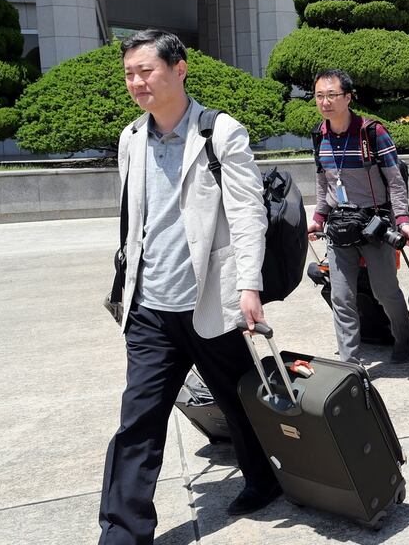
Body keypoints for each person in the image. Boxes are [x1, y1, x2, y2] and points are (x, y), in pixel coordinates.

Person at [100, 29, 279, 543]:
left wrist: (249, 285)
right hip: (150, 309)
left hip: (209, 300)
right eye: (130, 73)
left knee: (240, 400)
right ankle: (122, 531)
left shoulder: (220, 134)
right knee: (138, 422)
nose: (136, 82)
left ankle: (265, 479)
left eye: (146, 71)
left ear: (179, 70)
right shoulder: (131, 138)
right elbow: (135, 224)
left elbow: (247, 215)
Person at [306, 69, 409, 365]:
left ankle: (403, 336)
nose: (325, 102)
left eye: (332, 95)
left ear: (348, 97)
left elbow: (395, 180)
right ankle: (350, 362)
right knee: (341, 296)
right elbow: (324, 183)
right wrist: (318, 218)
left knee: (385, 292)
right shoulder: (320, 135)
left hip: (374, 225)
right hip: (340, 226)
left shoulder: (372, 132)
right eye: (319, 96)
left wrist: (403, 221)